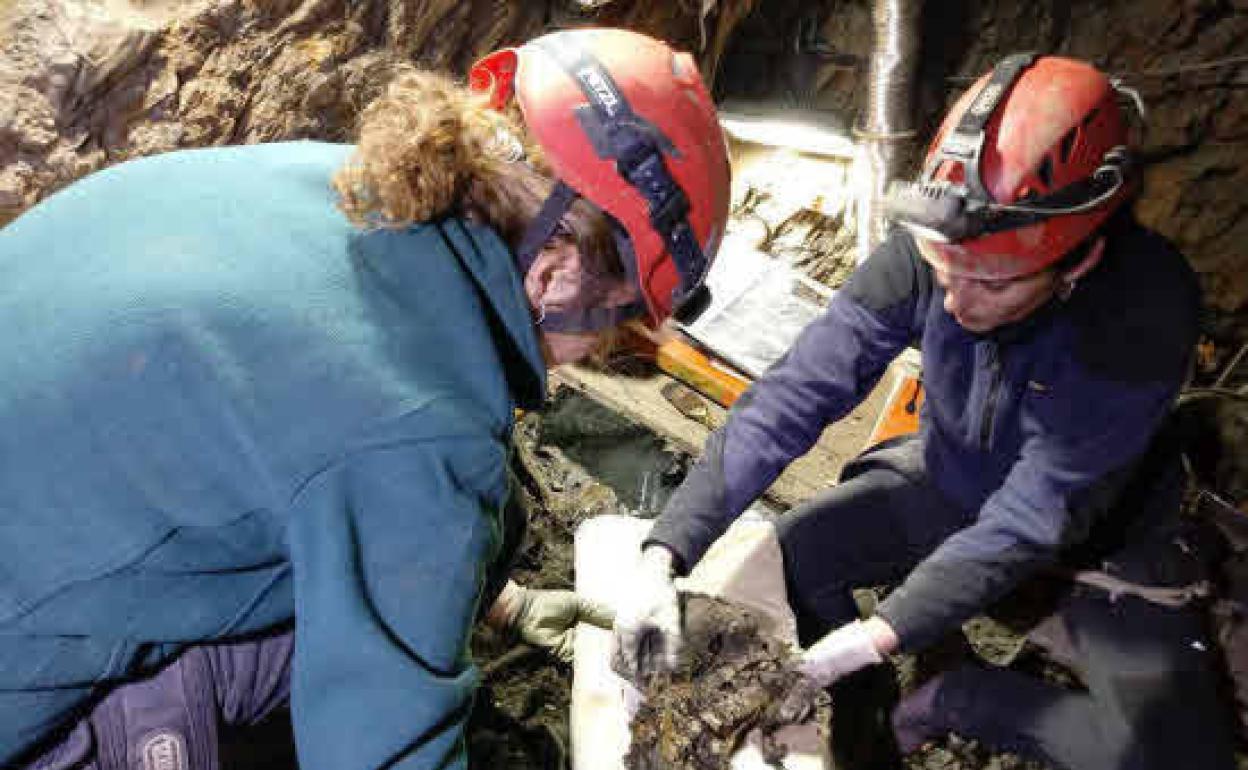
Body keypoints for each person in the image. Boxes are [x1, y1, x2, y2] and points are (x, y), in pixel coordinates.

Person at [0, 27, 730, 770]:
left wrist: (496, 600)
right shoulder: (421, 428)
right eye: (611, 330)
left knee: (479, 524)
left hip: (46, 525)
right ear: (558, 271)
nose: (590, 359)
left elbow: (324, 452)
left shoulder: (331, 184)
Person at [614, 53, 1237, 770]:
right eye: (944, 269)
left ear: (1077, 260)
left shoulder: (1143, 312)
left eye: (989, 283)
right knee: (797, 552)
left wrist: (882, 630)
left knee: (1182, 760)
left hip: (1099, 544)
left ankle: (958, 697)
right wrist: (664, 551)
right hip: (952, 482)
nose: (954, 302)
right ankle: (868, 730)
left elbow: (1035, 517)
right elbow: (794, 394)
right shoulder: (933, 248)